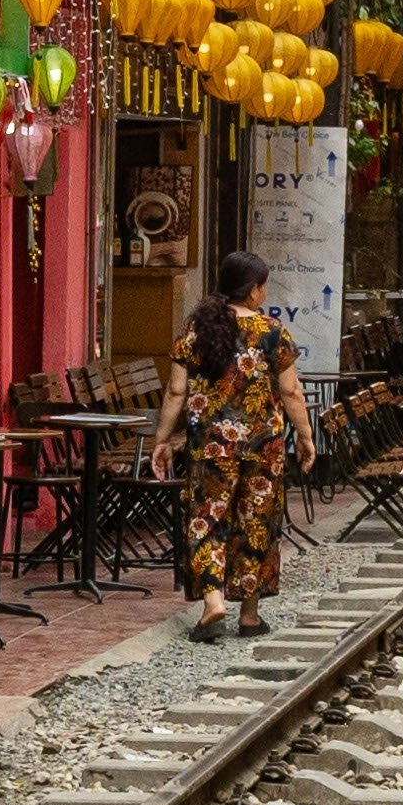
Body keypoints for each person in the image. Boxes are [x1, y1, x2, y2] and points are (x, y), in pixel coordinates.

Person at [141, 249, 315, 642]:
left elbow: (175, 390)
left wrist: (162, 439)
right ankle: (249, 615)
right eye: (263, 286)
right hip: (263, 448)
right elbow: (290, 392)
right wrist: (305, 436)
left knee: (208, 519)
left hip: (211, 447)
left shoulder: (196, 329)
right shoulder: (272, 331)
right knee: (256, 524)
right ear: (253, 290)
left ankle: (213, 602)